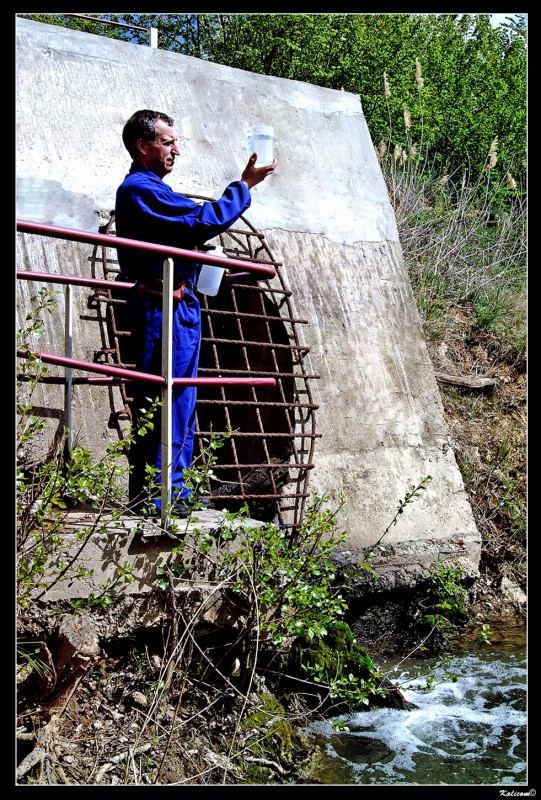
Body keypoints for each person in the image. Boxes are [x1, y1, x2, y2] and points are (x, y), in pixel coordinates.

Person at [115, 109, 276, 517]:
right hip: (160, 305)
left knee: (182, 398)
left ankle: (176, 490)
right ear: (143, 146)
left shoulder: (153, 189)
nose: (177, 150)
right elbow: (201, 219)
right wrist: (243, 186)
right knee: (163, 396)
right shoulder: (139, 189)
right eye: (168, 142)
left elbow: (185, 229)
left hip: (179, 302)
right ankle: (156, 496)